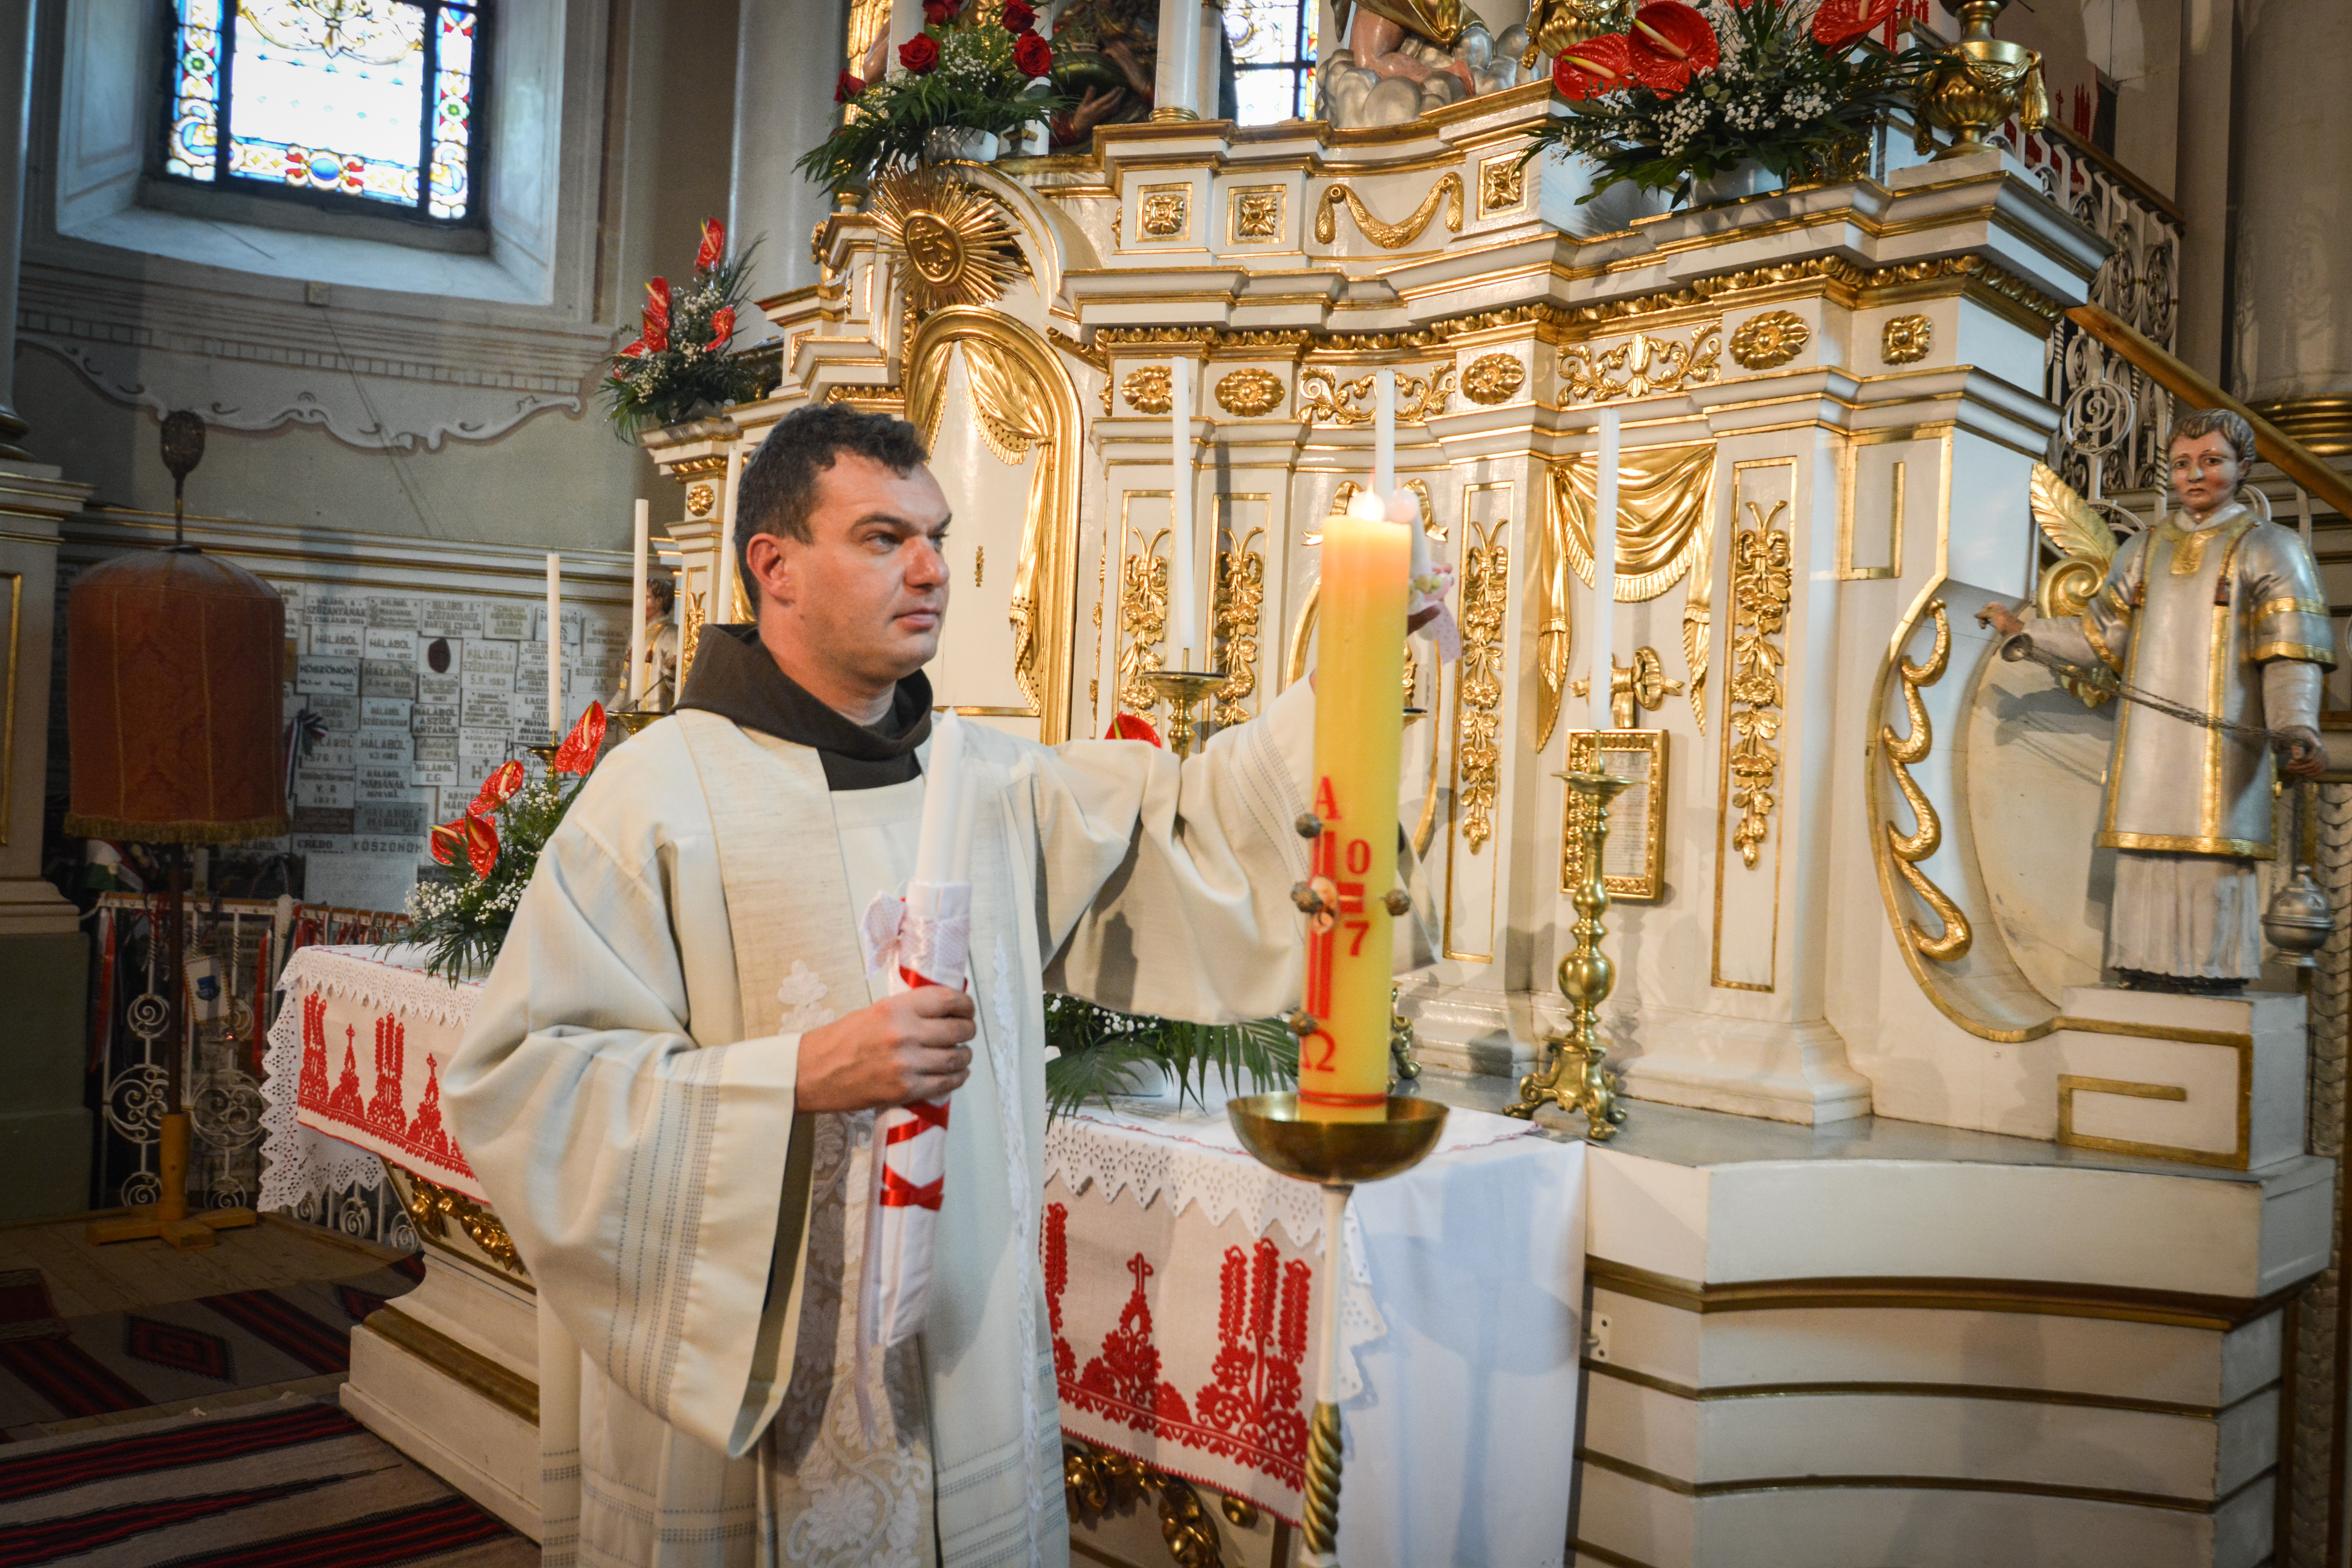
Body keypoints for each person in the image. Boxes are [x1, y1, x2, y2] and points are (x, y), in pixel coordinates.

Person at [446, 403, 1330, 1567]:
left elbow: (1197, 831)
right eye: (879, 538)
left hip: (951, 1363)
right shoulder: (656, 796)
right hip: (757, 1384)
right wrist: (798, 1077)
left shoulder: (984, 782)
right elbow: (524, 1082)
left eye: (936, 535)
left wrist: (1351, 662)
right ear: (775, 566)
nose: (929, 569)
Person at [1981, 407, 2331, 993]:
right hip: (2150, 745)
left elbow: (2289, 653)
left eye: (2212, 462)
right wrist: (2026, 630)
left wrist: (2297, 724)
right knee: (2147, 849)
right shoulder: (2143, 549)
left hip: (2225, 744)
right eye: (2182, 464)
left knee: (2210, 850)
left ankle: (2212, 973)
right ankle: (2145, 969)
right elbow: (2100, 637)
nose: (2195, 475)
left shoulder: (2273, 548)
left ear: (2243, 467)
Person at [611, 575, 681, 713]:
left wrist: (671, 672)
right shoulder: (636, 637)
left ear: (660, 601)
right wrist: (606, 714)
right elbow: (624, 687)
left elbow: (682, 685)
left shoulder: (672, 634)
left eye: (645, 597)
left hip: (657, 717)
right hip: (631, 716)